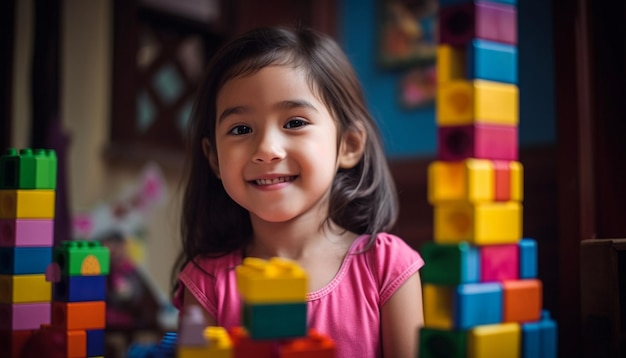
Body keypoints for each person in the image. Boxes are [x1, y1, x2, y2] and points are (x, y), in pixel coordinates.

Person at [171, 26, 424, 358]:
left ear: (348, 145)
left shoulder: (387, 267)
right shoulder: (206, 282)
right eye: (241, 129)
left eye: (294, 123)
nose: (267, 149)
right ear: (215, 160)